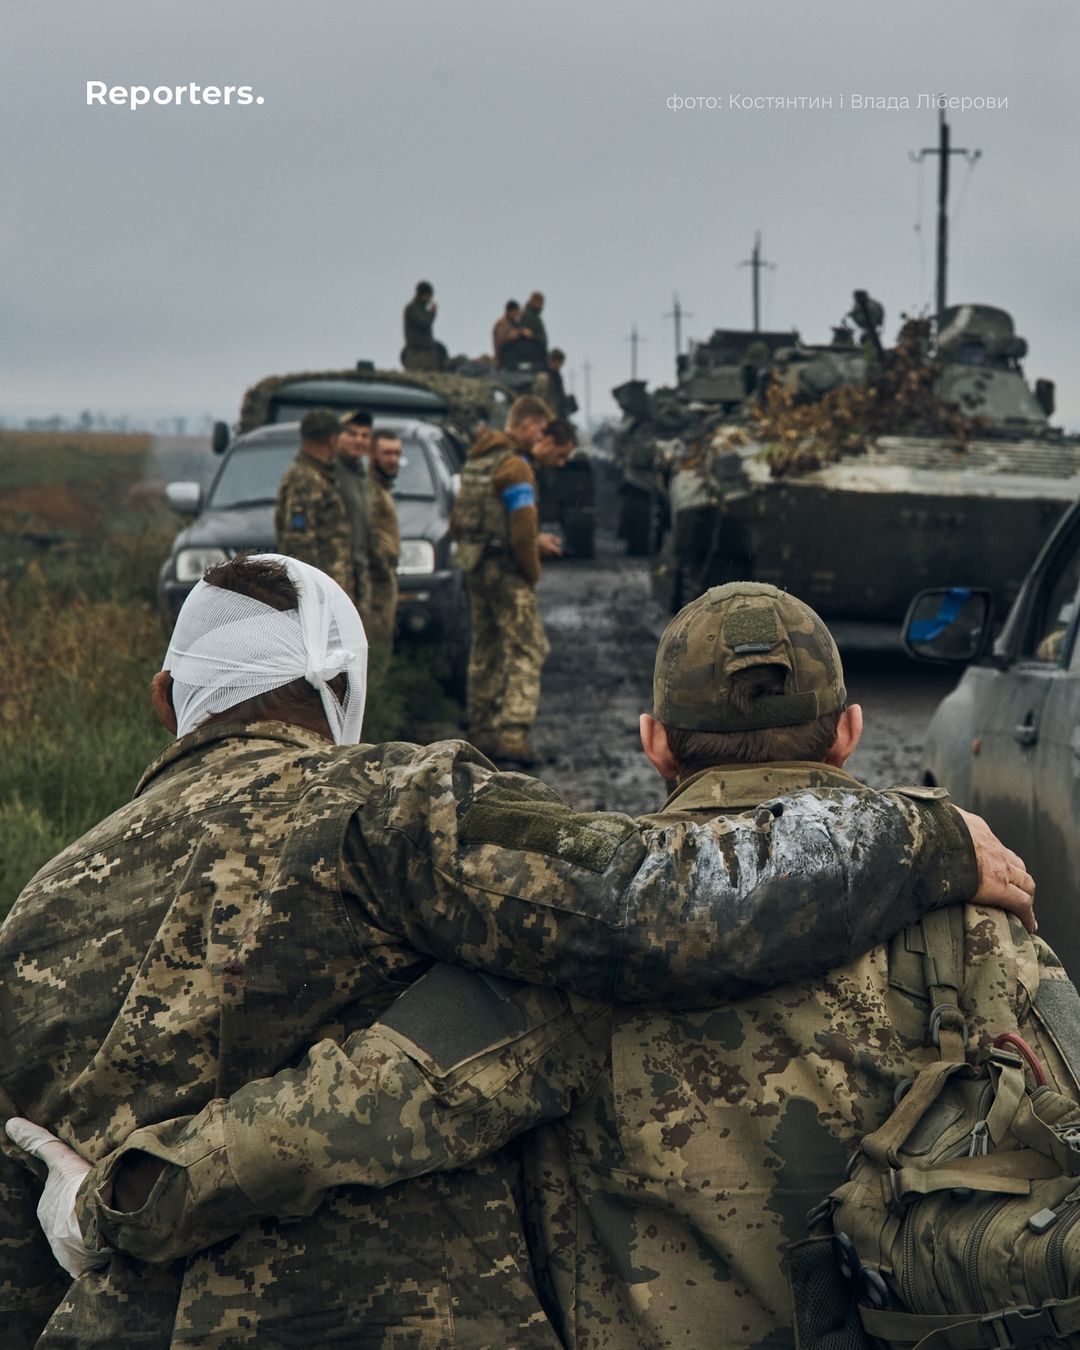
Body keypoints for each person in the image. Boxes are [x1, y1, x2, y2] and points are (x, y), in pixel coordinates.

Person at [17, 584, 1043, 1349]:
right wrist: (923, 839)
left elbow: (343, 1117)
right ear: (853, 732)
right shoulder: (986, 922)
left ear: (653, 743)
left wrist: (118, 1201)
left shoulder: (561, 967)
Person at [449, 395, 566, 765]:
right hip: (507, 570)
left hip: (476, 564)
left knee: (485, 648)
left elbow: (460, 518)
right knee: (528, 646)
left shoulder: (478, 459)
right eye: (542, 429)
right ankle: (513, 734)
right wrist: (532, 569)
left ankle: (481, 729)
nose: (542, 436)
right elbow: (521, 528)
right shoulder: (516, 467)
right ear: (528, 424)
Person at [274, 407, 355, 601]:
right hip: (319, 592)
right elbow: (299, 542)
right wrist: (314, 594)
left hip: (331, 588)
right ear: (330, 439)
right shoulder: (304, 479)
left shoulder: (320, 475)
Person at [363, 427, 402, 662]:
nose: (393, 459)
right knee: (375, 651)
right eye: (387, 453)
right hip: (374, 581)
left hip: (385, 576)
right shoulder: (369, 490)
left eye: (397, 453)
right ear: (372, 454)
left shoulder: (382, 488)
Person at [335, 408, 374, 610]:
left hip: (359, 575)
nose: (359, 440)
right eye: (351, 434)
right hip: (337, 576)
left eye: (365, 435)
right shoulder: (331, 474)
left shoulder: (361, 475)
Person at [402, 280, 444, 371]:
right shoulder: (412, 308)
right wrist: (432, 313)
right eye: (429, 296)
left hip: (426, 354)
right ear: (423, 295)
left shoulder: (422, 310)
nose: (430, 300)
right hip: (417, 354)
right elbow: (425, 323)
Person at [532, 348, 570, 417]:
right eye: (560, 363)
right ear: (554, 361)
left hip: (554, 409)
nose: (560, 366)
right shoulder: (541, 373)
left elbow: (560, 393)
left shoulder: (557, 375)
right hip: (542, 408)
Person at [492, 299, 526, 366]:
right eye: (516, 312)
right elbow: (502, 340)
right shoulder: (502, 323)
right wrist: (520, 332)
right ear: (511, 311)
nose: (517, 315)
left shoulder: (512, 322)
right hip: (503, 357)